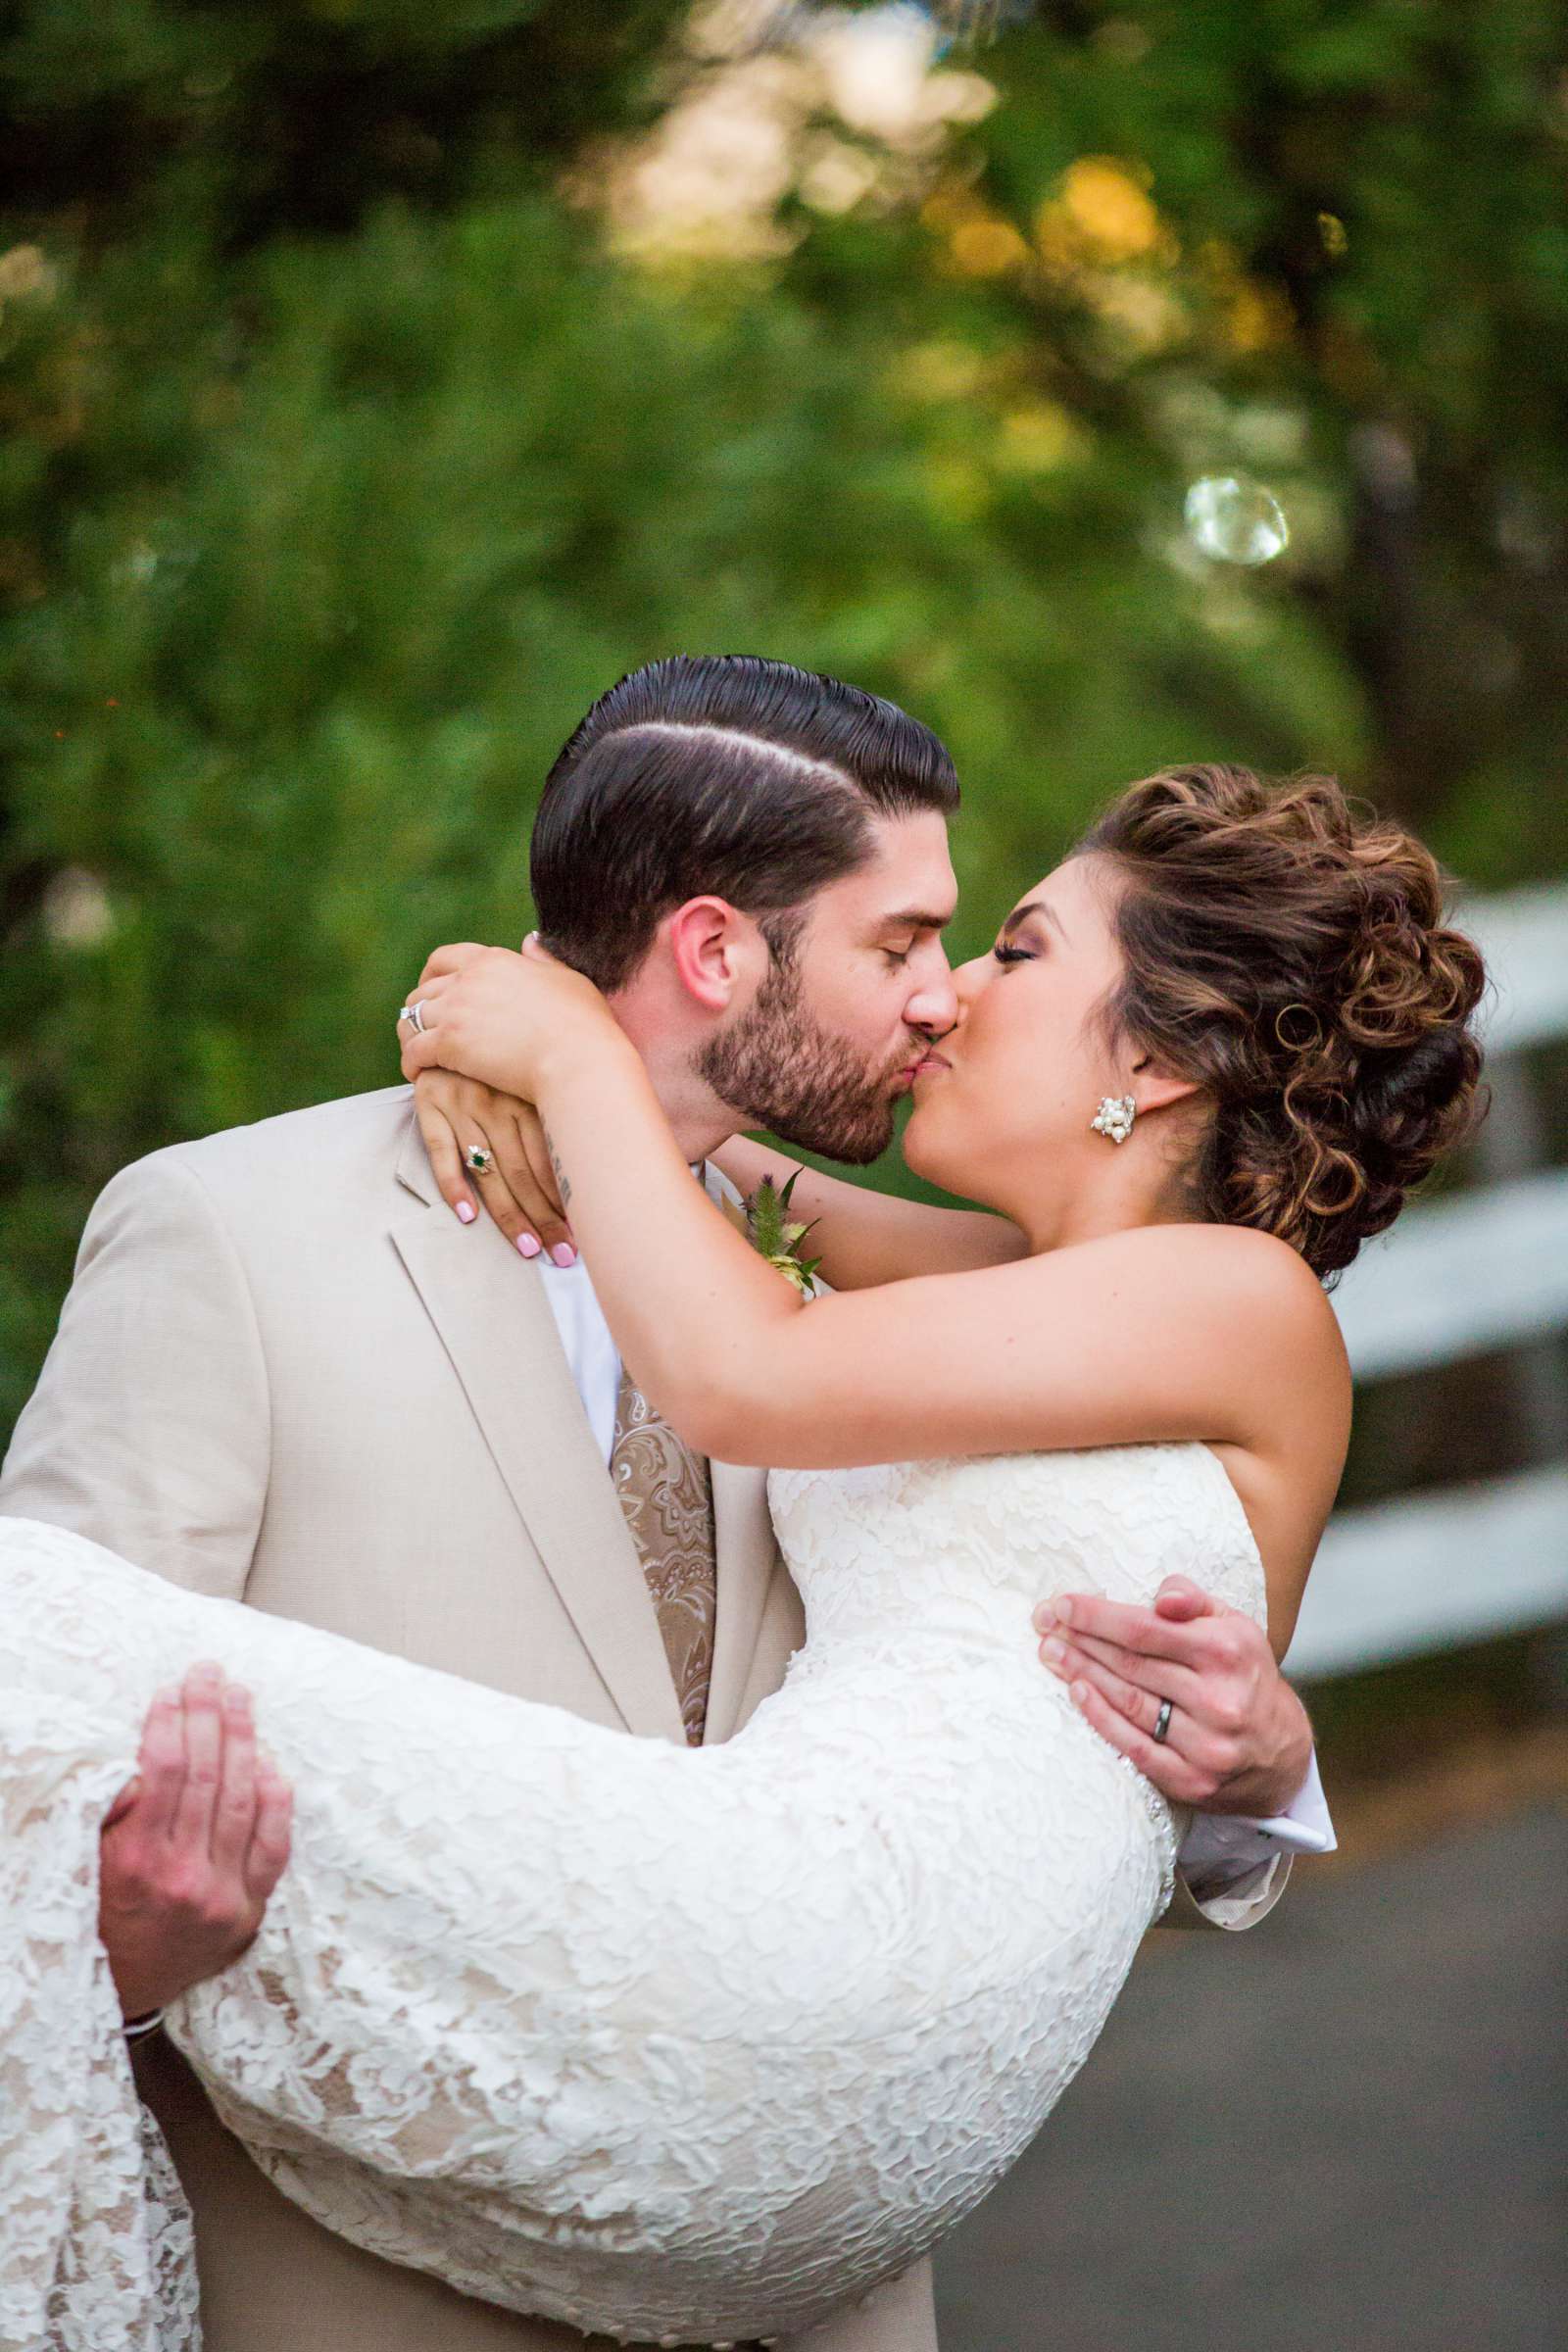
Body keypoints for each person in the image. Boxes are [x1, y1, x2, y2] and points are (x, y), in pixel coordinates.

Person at [2, 663, 1332, 2352]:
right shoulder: (231, 1238)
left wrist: (1266, 1770)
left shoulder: (855, 1312)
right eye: (905, 944)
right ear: (717, 950)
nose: (942, 999)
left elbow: (838, 1447)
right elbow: (40, 1785)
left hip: (816, 2254)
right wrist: (111, 1946)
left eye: (988, 947)